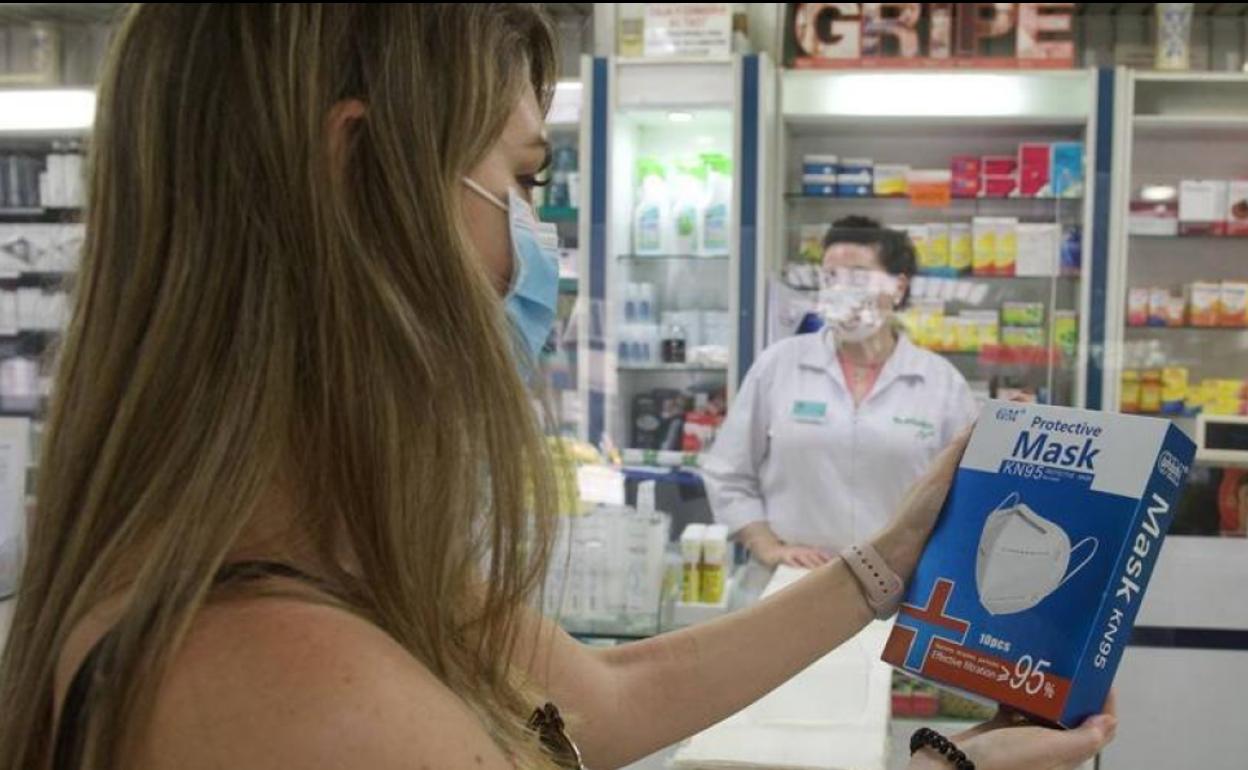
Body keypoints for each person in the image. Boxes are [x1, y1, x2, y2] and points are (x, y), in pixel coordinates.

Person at [0, 7, 1114, 770]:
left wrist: (892, 557)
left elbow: (605, 699)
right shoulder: (285, 680)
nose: (534, 250)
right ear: (359, 183)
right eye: (520, 181)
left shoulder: (334, 561)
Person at [703, 216, 979, 569]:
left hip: (898, 585)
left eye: (858, 277)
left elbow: (965, 496)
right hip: (793, 581)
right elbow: (728, 472)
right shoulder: (779, 365)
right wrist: (767, 546)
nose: (841, 290)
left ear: (898, 286)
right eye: (831, 277)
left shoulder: (941, 382)